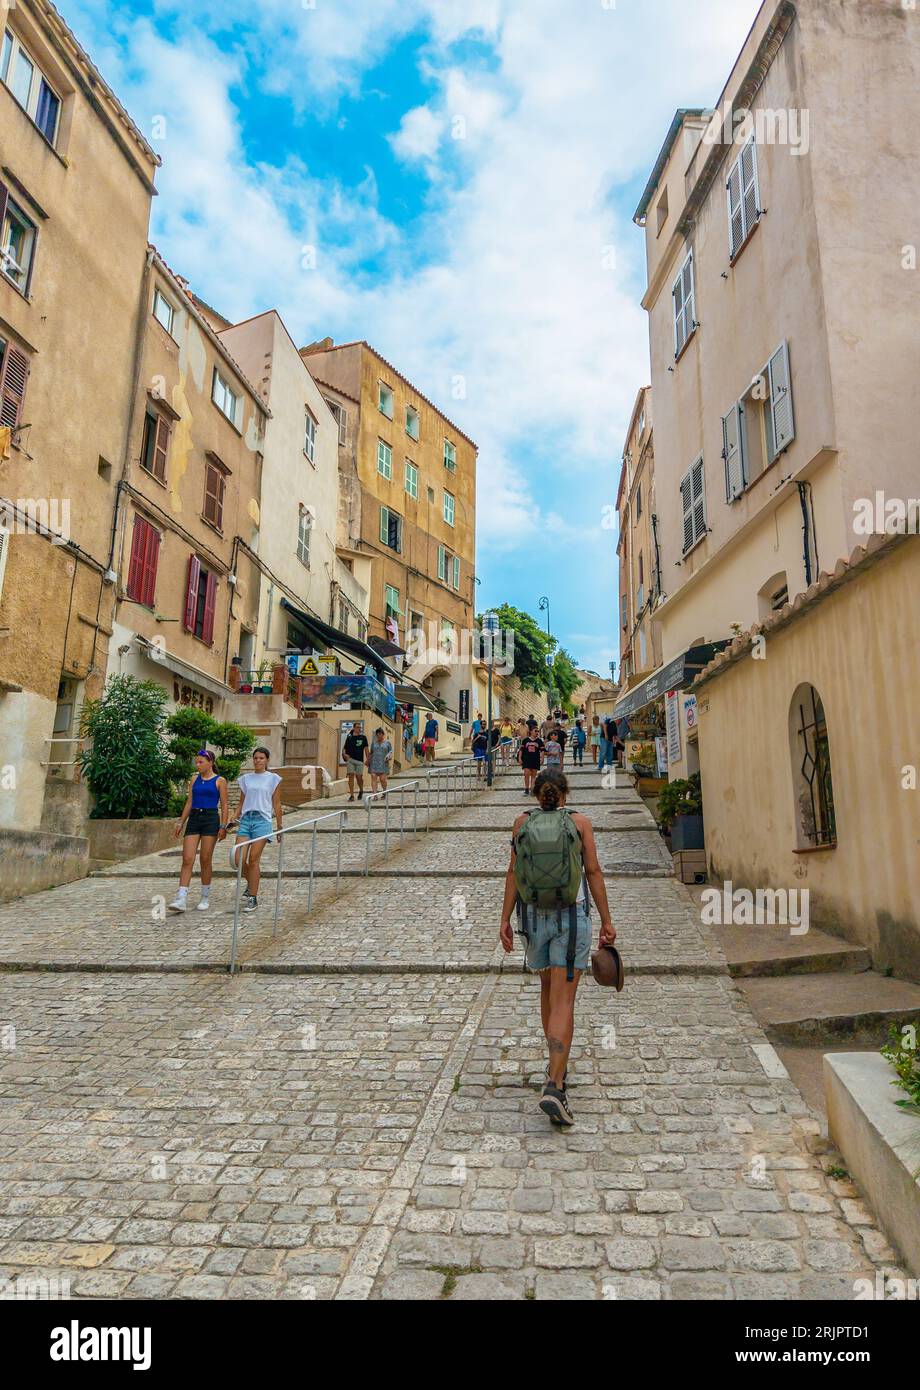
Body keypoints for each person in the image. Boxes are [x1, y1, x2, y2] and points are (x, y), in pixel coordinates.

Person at [499, 768, 616, 1126]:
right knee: (565, 999)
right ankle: (555, 1083)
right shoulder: (580, 823)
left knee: (548, 990)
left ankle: (555, 1065)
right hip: (570, 914)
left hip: (533, 919)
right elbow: (593, 872)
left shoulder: (521, 823)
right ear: (565, 795)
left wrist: (503, 920)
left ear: (537, 795)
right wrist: (607, 921)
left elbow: (513, 873)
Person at [170, 750, 229, 913]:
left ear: (210, 763)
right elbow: (189, 802)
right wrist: (180, 822)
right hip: (194, 818)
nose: (198, 765)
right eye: (196, 762)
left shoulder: (220, 781)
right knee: (187, 858)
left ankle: (205, 896)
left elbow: (224, 805)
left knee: (205, 858)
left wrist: (223, 826)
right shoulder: (194, 779)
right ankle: (181, 898)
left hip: (210, 818)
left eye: (201, 762)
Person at [233, 747, 283, 914]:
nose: (258, 760)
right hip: (247, 820)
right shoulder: (246, 779)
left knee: (254, 859)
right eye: (255, 758)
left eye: (261, 758)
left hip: (262, 821)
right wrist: (233, 818)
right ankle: (251, 883)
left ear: (267, 760)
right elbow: (241, 803)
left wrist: (279, 827)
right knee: (238, 858)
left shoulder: (273, 779)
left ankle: (253, 897)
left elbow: (276, 804)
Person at [343, 722, 369, 800]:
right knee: (351, 776)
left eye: (360, 727)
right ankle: (352, 795)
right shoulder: (349, 737)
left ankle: (361, 790)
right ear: (354, 728)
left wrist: (368, 759)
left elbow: (366, 749)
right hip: (350, 760)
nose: (359, 729)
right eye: (357, 727)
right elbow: (344, 749)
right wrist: (345, 755)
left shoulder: (363, 737)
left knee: (359, 777)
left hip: (360, 761)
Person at [518, 725, 544, 795]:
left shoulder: (539, 741)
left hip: (535, 760)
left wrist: (542, 759)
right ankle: (526, 789)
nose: (537, 732)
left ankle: (532, 789)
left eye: (538, 731)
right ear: (531, 732)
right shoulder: (525, 740)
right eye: (535, 731)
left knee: (533, 775)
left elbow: (542, 751)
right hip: (526, 760)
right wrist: (520, 758)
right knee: (526, 774)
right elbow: (521, 750)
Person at [368, 726, 393, 792]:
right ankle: (374, 794)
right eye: (377, 734)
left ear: (383, 734)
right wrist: (368, 761)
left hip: (383, 764)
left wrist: (389, 757)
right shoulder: (373, 743)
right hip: (374, 764)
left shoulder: (387, 743)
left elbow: (390, 752)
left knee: (382, 779)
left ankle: (384, 791)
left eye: (380, 734)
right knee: (373, 777)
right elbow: (371, 753)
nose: (379, 735)